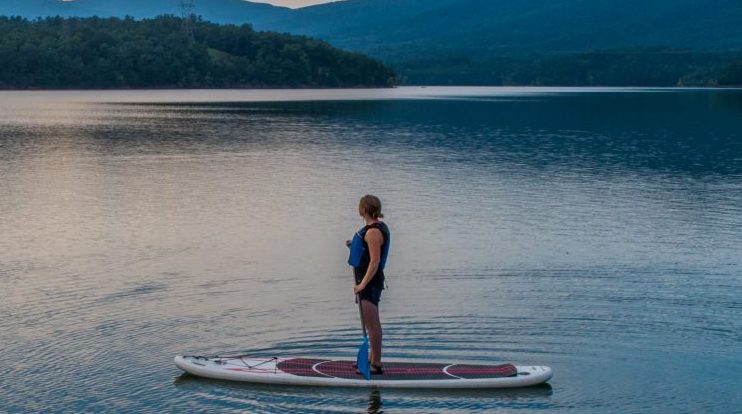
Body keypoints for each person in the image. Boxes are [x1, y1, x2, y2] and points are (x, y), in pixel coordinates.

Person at [347, 194, 390, 375]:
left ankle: (376, 363)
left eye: (360, 205)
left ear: (364, 208)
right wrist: (354, 246)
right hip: (369, 281)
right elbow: (368, 253)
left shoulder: (373, 232)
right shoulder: (374, 228)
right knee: (370, 322)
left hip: (370, 283)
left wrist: (362, 285)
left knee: (372, 324)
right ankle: (373, 360)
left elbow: (374, 261)